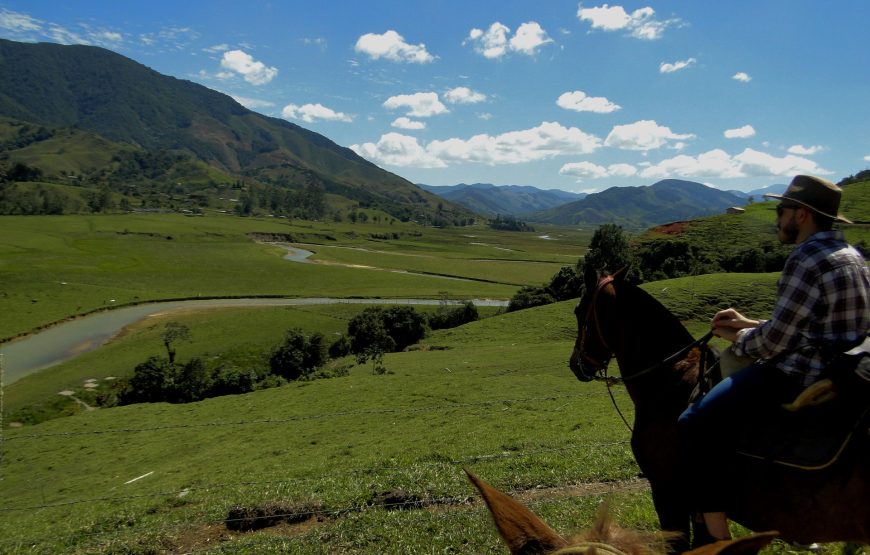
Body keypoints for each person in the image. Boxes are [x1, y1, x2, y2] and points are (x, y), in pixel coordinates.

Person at [678, 174, 870, 541]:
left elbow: (775, 343)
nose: (777, 218)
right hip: (848, 364)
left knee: (694, 421)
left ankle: (716, 537)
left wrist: (737, 337)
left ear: (800, 215)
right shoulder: (853, 256)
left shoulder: (807, 258)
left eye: (782, 210)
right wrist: (750, 322)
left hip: (801, 372)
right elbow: (818, 323)